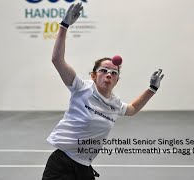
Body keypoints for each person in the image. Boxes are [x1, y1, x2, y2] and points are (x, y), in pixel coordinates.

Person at [42, 2, 164, 180]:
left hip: (85, 167)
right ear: (93, 75)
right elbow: (57, 60)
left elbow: (133, 109)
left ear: (117, 80)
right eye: (104, 70)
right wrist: (64, 25)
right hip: (62, 164)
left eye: (113, 73)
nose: (109, 74)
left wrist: (152, 89)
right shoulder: (81, 88)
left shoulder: (114, 104)